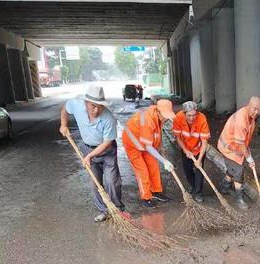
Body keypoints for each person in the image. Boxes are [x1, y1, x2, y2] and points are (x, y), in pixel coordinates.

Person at [59, 84, 124, 223]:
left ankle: (117, 209)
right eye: (93, 106)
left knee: (112, 181)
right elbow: (65, 108)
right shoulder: (76, 105)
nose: (97, 110)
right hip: (87, 147)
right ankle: (103, 211)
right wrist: (63, 124)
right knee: (95, 182)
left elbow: (107, 143)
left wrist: (89, 156)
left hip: (107, 151)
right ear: (85, 103)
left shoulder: (108, 118)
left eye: (100, 106)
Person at [122, 98, 176, 208]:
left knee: (153, 167)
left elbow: (156, 135)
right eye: (165, 116)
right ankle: (146, 198)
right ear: (158, 111)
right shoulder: (147, 120)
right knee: (142, 171)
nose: (166, 119)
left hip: (146, 144)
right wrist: (164, 160)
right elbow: (148, 146)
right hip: (133, 144)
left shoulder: (158, 118)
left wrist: (160, 148)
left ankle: (156, 192)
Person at [217, 96, 260, 209]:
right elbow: (241, 144)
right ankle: (239, 199)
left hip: (236, 148)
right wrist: (249, 158)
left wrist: (247, 152)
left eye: (259, 109)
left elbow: (244, 140)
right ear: (248, 105)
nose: (256, 112)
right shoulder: (241, 120)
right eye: (254, 109)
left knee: (233, 169)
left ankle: (225, 187)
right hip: (228, 148)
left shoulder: (250, 117)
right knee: (238, 172)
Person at [172, 101, 211, 202]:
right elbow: (178, 137)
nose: (192, 118)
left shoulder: (202, 118)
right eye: (189, 115)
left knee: (199, 170)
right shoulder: (178, 118)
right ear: (184, 113)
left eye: (194, 115)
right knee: (187, 169)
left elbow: (204, 141)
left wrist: (200, 159)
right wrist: (185, 150)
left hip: (198, 148)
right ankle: (193, 186)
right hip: (186, 148)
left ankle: (198, 192)